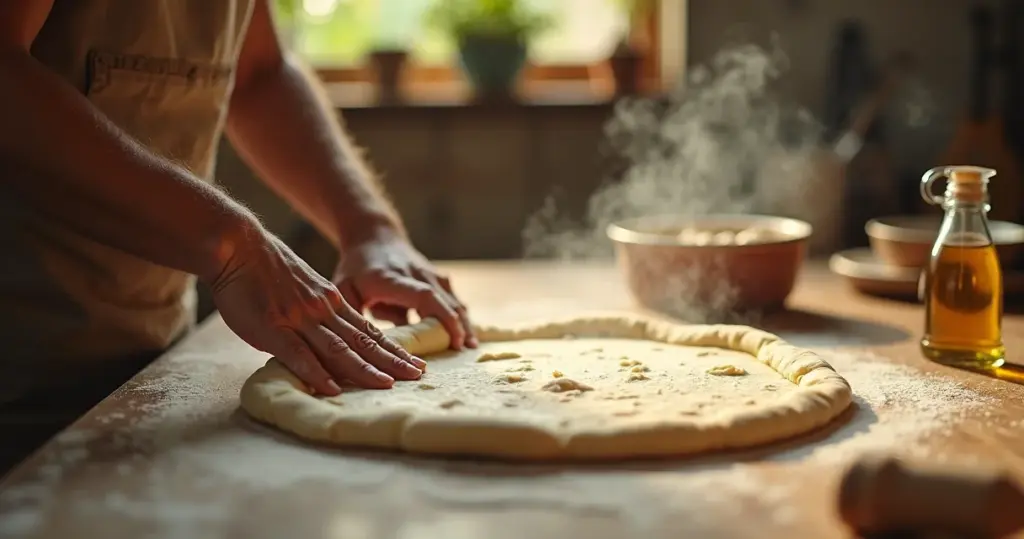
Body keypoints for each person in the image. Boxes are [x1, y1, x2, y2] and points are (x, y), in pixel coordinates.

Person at [0, 0, 476, 474]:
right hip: (20, 370)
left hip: (145, 361)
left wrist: (368, 229)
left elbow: (258, 74)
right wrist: (233, 246)